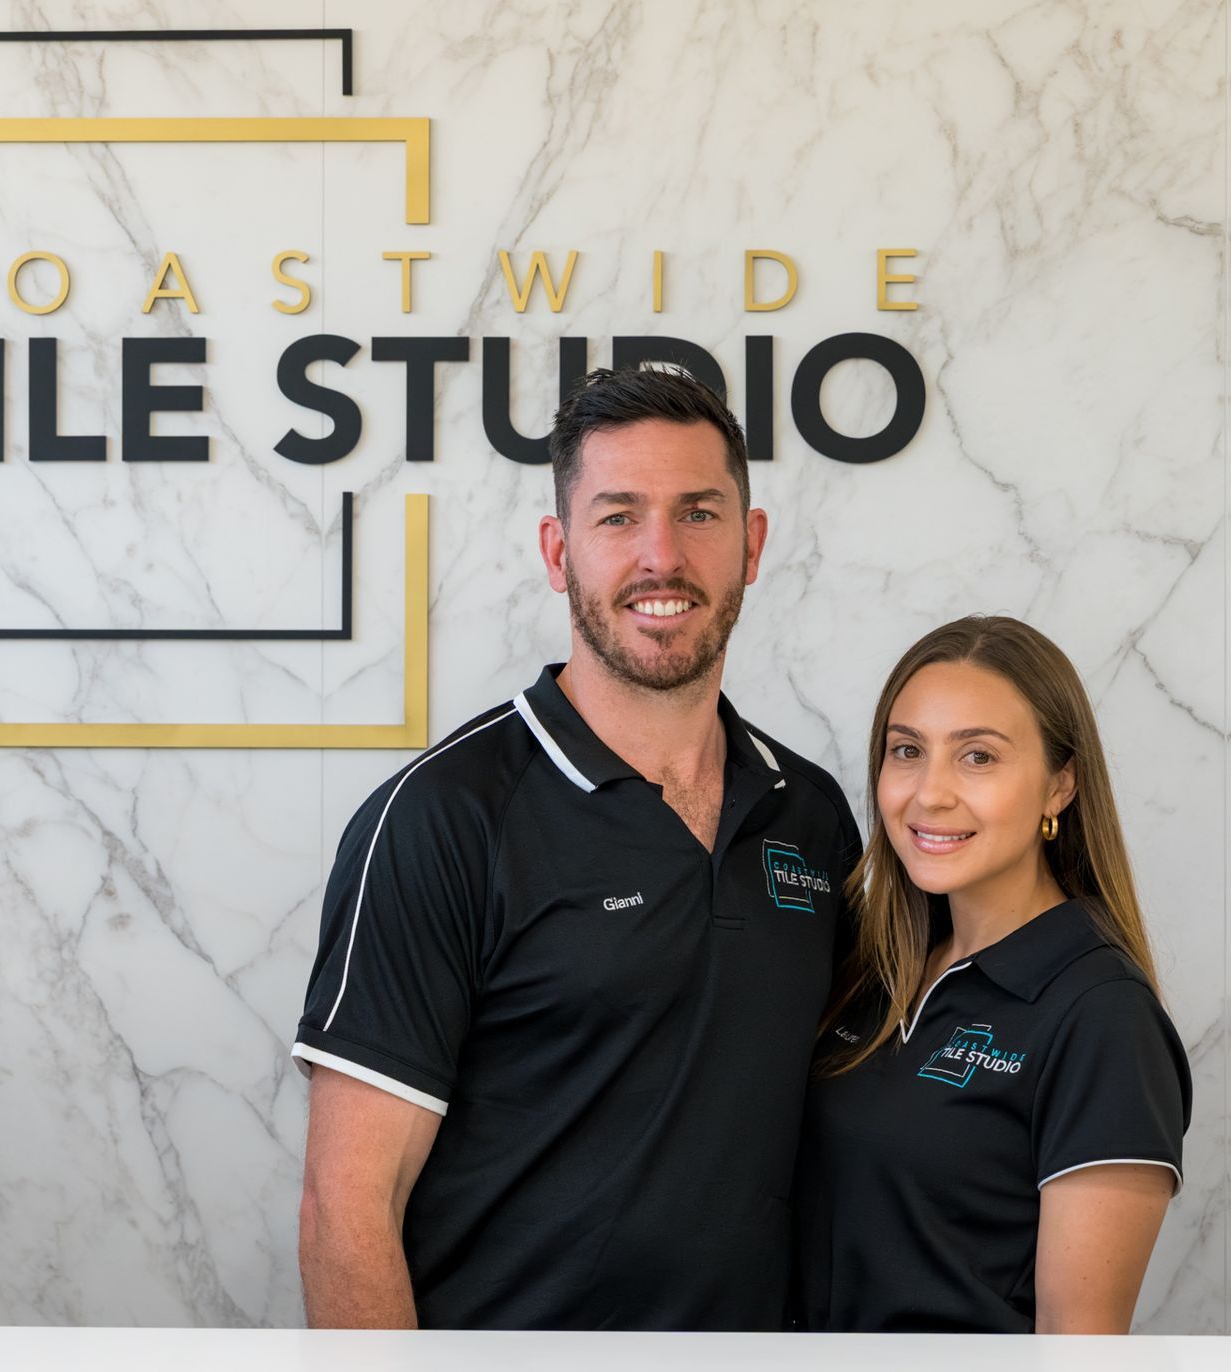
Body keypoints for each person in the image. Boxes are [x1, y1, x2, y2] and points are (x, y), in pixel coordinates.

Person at [294, 366, 861, 1330]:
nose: (661, 556)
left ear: (752, 545)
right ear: (558, 552)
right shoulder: (442, 819)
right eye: (617, 517)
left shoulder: (808, 814)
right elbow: (347, 1208)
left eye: (699, 514)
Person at [795, 615, 1191, 1334]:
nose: (930, 794)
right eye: (907, 750)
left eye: (977, 757)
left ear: (1059, 787)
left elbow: (1081, 1345)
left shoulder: (1102, 1017)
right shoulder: (872, 968)